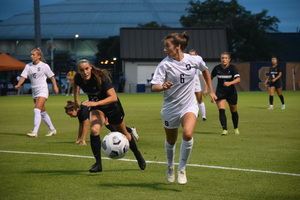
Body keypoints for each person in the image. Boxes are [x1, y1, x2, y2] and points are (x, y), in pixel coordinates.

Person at [151, 32, 217, 184]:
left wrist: (211, 90)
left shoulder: (194, 60)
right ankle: (170, 165)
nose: (164, 49)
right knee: (171, 140)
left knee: (187, 134)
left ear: (178, 47)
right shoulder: (164, 64)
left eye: (167, 46)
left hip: (189, 105)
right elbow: (154, 86)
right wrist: (162, 87)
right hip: (170, 107)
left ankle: (182, 168)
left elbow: (205, 70)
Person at [73, 57, 146, 173]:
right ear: (79, 71)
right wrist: (76, 100)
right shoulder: (78, 77)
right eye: (82, 70)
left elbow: (113, 97)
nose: (85, 72)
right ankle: (98, 164)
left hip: (112, 107)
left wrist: (95, 102)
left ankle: (138, 155)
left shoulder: (101, 78)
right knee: (94, 130)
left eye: (87, 69)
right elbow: (75, 84)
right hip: (96, 107)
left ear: (91, 68)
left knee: (125, 134)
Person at [15, 48, 59, 137]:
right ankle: (52, 129)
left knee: (36, 109)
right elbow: (23, 77)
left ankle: (35, 132)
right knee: (42, 111)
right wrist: (18, 84)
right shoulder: (28, 66)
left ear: (39, 56)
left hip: (42, 89)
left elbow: (52, 77)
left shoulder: (44, 66)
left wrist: (55, 86)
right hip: (34, 91)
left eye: (33, 54)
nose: (31, 56)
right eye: (31, 54)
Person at [64, 100, 139, 145]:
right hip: (100, 111)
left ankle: (128, 132)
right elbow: (81, 125)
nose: (71, 116)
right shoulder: (79, 112)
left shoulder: (82, 111)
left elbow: (85, 126)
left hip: (103, 109)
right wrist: (78, 139)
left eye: (70, 114)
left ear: (74, 109)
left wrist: (83, 140)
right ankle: (130, 131)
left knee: (110, 125)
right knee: (110, 125)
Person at [211, 52, 241, 136]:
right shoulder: (217, 68)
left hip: (231, 92)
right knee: (221, 110)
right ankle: (224, 129)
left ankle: (236, 128)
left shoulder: (232, 68)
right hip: (220, 92)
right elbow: (210, 78)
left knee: (233, 111)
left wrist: (230, 83)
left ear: (229, 59)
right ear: (220, 59)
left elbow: (238, 79)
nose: (224, 59)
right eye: (222, 58)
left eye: (225, 58)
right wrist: (208, 89)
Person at [189, 49, 208, 121]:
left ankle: (204, 116)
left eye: (193, 55)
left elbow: (202, 76)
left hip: (196, 84)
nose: (192, 57)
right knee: (190, 100)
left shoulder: (198, 64)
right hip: (189, 85)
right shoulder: (186, 64)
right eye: (190, 55)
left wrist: (206, 87)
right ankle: (195, 114)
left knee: (199, 99)